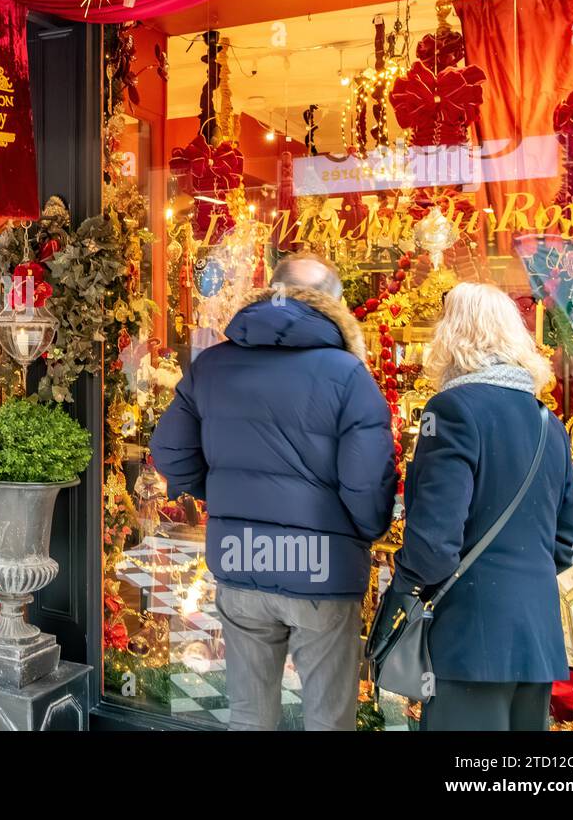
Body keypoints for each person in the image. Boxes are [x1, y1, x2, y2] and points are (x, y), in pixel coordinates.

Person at [151, 253, 397, 731]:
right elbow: (368, 485)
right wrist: (362, 531)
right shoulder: (347, 374)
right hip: (322, 569)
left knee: (248, 715)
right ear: (334, 304)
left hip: (244, 559)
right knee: (328, 719)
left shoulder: (215, 363)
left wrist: (226, 495)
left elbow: (170, 453)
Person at [394, 282, 573, 731]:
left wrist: (403, 586)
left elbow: (434, 544)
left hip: (470, 637)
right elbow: (569, 543)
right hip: (535, 636)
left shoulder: (453, 409)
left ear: (452, 337)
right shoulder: (548, 422)